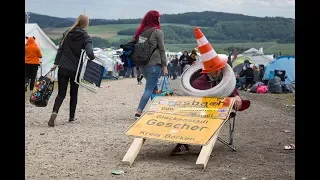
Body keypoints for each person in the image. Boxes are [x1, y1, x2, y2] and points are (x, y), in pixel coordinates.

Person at [170, 27, 249, 155]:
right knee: (185, 114)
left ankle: (204, 142)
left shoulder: (225, 79)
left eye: (219, 68)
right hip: (199, 112)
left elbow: (231, 89)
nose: (217, 71)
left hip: (218, 112)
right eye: (215, 69)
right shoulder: (198, 83)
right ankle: (184, 142)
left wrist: (236, 96)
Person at [48, 14, 95, 127]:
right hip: (75, 69)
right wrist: (92, 58)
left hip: (63, 67)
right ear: (86, 23)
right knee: (74, 93)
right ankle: (71, 117)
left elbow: (60, 49)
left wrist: (56, 63)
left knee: (61, 93)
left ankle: (54, 112)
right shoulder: (85, 36)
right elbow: (90, 53)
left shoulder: (67, 32)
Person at [133, 10, 168, 119]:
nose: (159, 19)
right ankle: (139, 111)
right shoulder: (158, 32)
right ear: (155, 19)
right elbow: (162, 50)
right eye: (158, 17)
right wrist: (165, 66)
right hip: (154, 64)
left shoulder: (141, 32)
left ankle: (156, 111)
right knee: (149, 88)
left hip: (143, 65)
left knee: (154, 87)